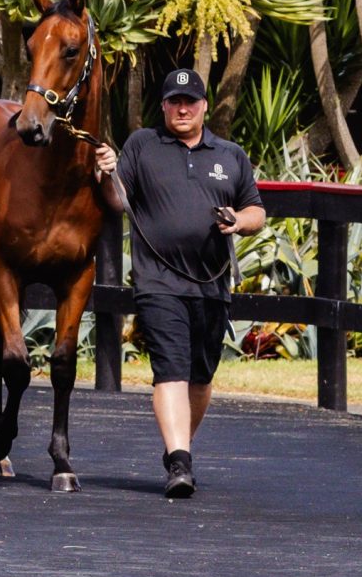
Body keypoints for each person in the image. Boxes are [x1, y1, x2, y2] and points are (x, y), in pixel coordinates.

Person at [92, 68, 265, 499]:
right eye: (174, 101)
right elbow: (117, 201)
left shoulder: (230, 154)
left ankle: (178, 447)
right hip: (158, 281)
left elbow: (257, 212)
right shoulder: (142, 145)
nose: (182, 108)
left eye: (190, 101)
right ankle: (179, 462)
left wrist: (238, 221)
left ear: (205, 106)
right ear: (164, 106)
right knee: (169, 368)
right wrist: (105, 173)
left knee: (201, 377)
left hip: (211, 283)